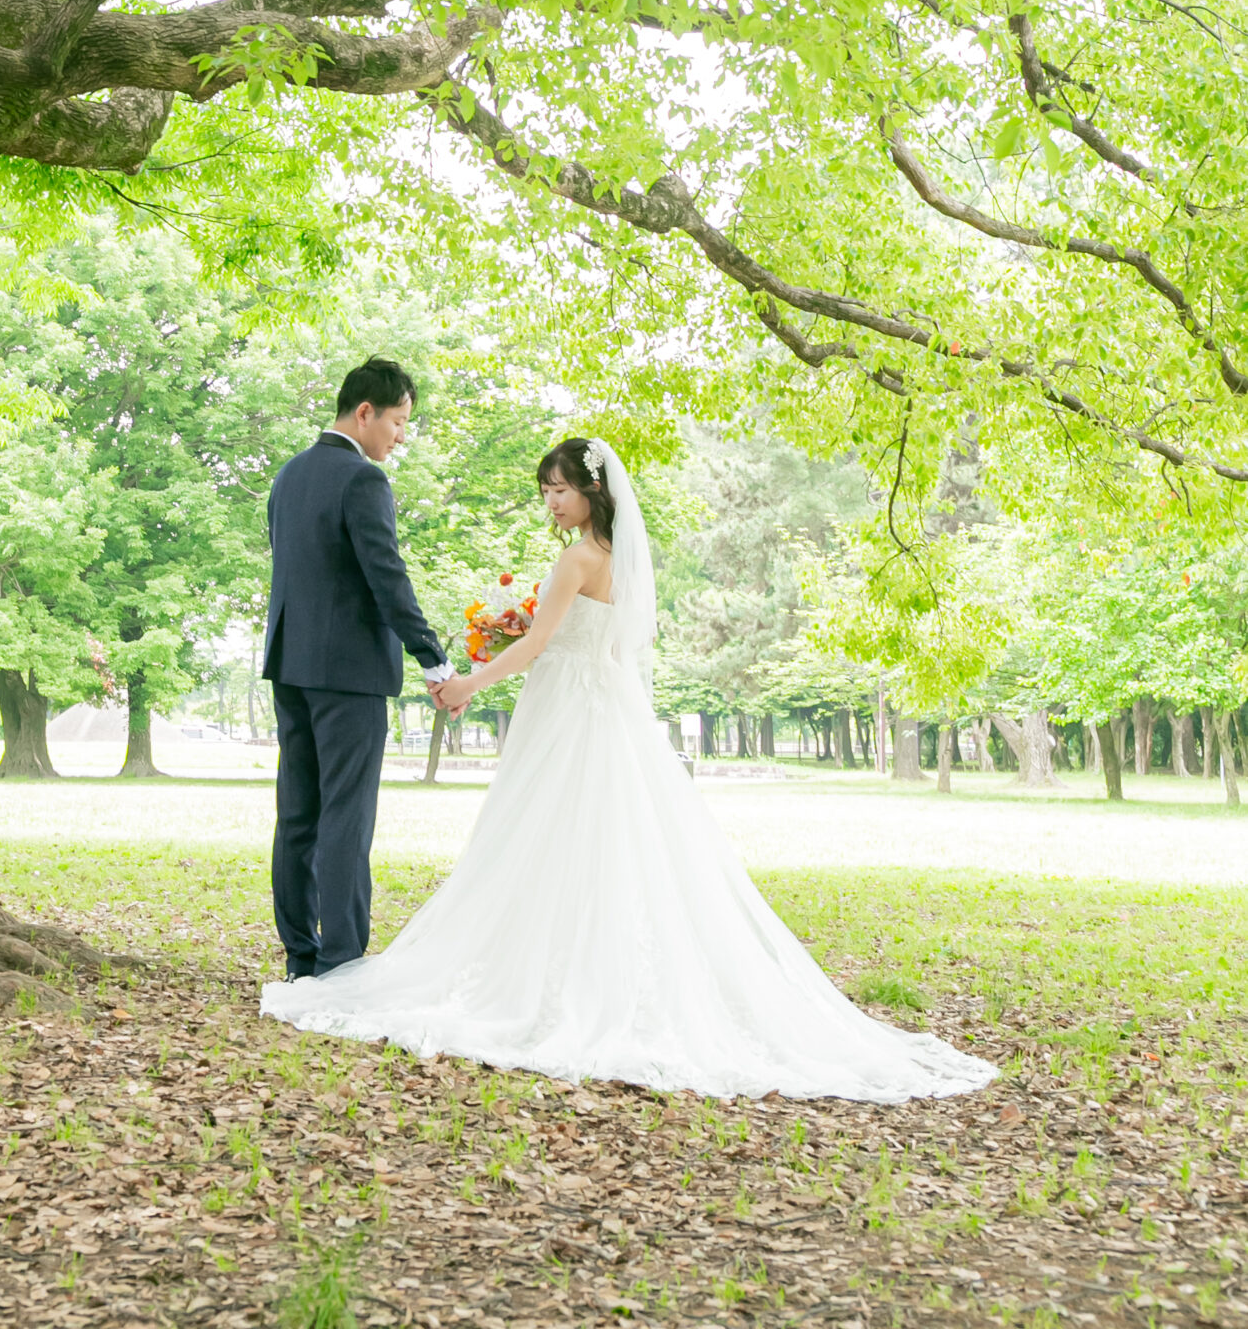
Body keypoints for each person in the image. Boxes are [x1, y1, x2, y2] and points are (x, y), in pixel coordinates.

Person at [262, 435, 997, 1104]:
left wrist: (467, 684)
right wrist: (521, 632)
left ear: (593, 491)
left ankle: (551, 978)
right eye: (544, 491)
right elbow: (593, 639)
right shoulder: (620, 559)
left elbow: (540, 644)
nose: (551, 503)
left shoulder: (577, 559)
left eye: (559, 490)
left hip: (566, 710)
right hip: (606, 707)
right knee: (601, 838)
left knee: (548, 832)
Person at [262, 358, 454, 982]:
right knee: (346, 814)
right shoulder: (363, 480)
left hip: (290, 666)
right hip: (349, 674)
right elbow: (386, 577)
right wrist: (433, 657)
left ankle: (300, 958)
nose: (400, 436)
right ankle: (340, 960)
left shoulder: (289, 475)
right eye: (397, 421)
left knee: (298, 815)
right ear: (364, 412)